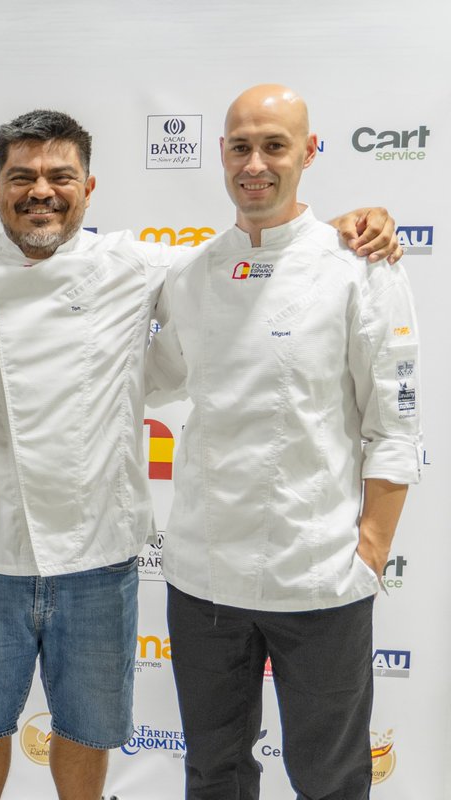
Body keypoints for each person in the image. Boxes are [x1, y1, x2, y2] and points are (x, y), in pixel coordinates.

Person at [0, 110, 402, 800]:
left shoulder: (140, 265)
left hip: (97, 560)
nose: (41, 191)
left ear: (90, 186)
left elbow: (255, 256)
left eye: (60, 176)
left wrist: (344, 228)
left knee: (86, 735)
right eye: (22, 176)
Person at [144, 84, 421, 799]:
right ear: (222, 156)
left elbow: (393, 421)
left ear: (309, 152)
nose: (256, 163)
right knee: (214, 774)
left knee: (330, 778)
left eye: (275, 146)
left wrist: (369, 552)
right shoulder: (192, 272)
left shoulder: (359, 263)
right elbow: (146, 377)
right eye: (242, 146)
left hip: (320, 575)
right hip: (203, 578)